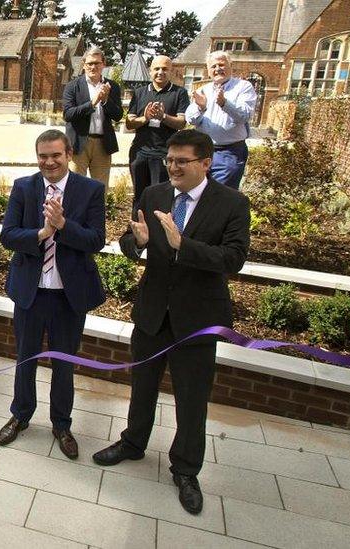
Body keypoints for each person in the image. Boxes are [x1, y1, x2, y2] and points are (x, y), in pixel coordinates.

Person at [92, 129, 250, 515]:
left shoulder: (232, 203)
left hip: (197, 319)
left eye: (182, 161)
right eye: (170, 160)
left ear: (206, 163)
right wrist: (139, 242)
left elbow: (233, 260)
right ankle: (133, 443)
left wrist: (184, 246)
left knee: (191, 400)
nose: (173, 167)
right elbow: (129, 243)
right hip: (152, 314)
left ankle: (185, 469)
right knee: (142, 387)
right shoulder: (154, 194)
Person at [0, 129, 106, 460]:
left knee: (64, 364)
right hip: (31, 292)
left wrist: (63, 226)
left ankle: (61, 423)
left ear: (69, 154)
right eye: (43, 156)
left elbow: (96, 240)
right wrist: (43, 232)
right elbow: (8, 236)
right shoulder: (24, 187)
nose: (49, 162)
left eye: (56, 155)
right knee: (25, 359)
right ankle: (21, 415)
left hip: (68, 297)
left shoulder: (91, 190)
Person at [184, 50, 258, 190]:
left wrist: (225, 103)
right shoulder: (203, 90)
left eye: (221, 65)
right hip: (202, 151)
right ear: (208, 70)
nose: (217, 69)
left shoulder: (243, 87)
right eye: (213, 66)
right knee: (198, 191)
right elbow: (190, 119)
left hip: (229, 152)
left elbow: (246, 115)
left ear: (230, 65)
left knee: (220, 193)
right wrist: (200, 107)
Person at [123, 55, 190, 210]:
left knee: (161, 198)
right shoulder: (140, 93)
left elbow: (181, 123)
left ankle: (157, 232)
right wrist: (145, 118)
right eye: (157, 68)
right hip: (140, 153)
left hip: (164, 154)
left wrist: (163, 117)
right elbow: (129, 123)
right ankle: (135, 230)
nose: (160, 72)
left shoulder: (179, 93)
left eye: (165, 69)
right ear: (150, 71)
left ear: (171, 71)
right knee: (139, 196)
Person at [62, 47, 123, 188]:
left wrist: (106, 100)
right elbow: (68, 114)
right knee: (74, 188)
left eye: (97, 63)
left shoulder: (112, 86)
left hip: (103, 144)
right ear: (84, 65)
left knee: (100, 190)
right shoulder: (73, 86)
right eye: (89, 63)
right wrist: (93, 103)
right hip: (78, 144)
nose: (93, 67)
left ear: (103, 64)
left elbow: (118, 115)